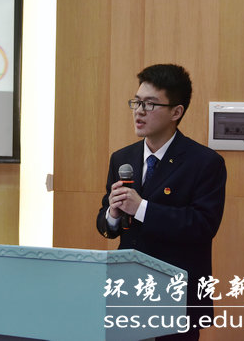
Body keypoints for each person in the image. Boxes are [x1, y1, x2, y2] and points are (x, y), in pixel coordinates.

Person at [96, 64, 226, 341]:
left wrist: (141, 208)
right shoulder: (122, 158)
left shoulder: (205, 162)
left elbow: (202, 226)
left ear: (176, 112)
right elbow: (107, 224)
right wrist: (112, 214)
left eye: (150, 104)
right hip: (127, 291)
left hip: (176, 294)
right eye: (137, 102)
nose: (139, 111)